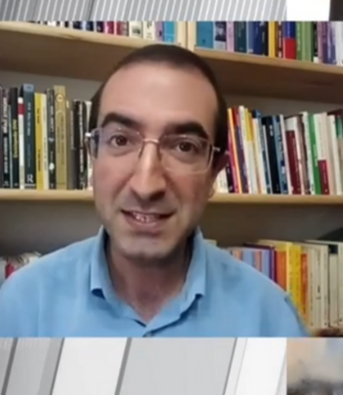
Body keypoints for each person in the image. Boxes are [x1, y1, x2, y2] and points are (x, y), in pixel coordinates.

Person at [0, 44, 309, 337]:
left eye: (184, 146)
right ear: (93, 154)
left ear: (215, 171)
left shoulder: (271, 318)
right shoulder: (21, 306)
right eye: (121, 140)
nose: (146, 186)